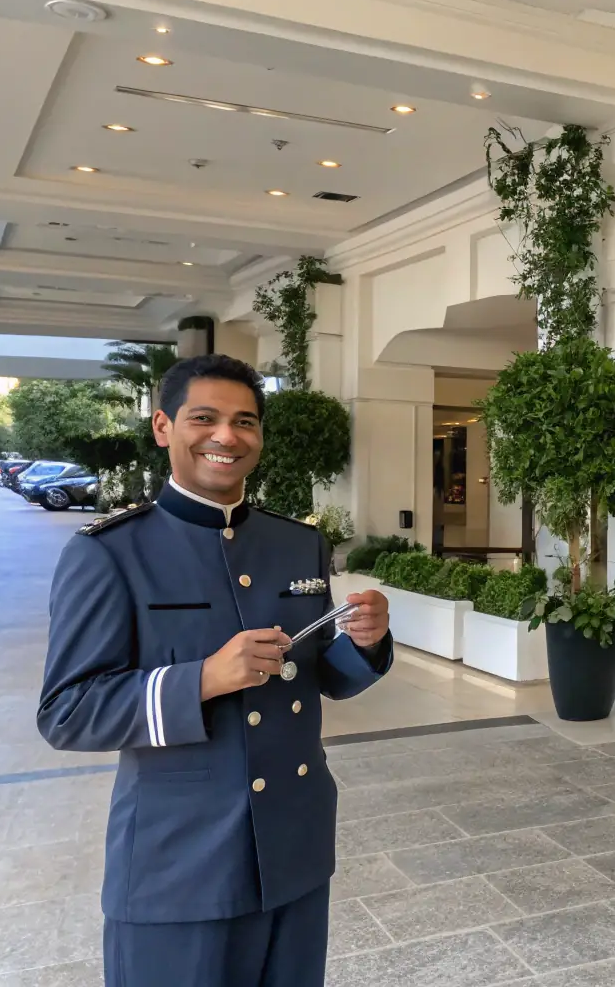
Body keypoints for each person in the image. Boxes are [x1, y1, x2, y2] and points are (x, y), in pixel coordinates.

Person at [37, 354, 393, 987]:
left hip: (295, 849)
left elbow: (322, 678)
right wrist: (202, 679)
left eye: (245, 421)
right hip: (179, 862)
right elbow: (67, 712)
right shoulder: (111, 552)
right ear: (163, 428)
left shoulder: (296, 544)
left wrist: (364, 643)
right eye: (205, 418)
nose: (227, 436)